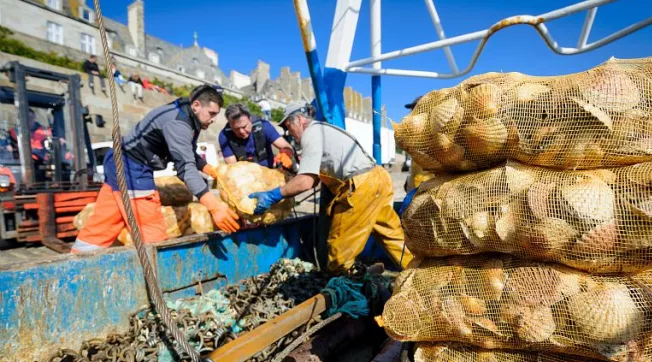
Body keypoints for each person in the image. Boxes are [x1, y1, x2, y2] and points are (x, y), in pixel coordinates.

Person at [249, 102, 414, 274]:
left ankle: (346, 293)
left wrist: (274, 195)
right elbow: (313, 180)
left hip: (361, 186)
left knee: (339, 256)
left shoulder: (311, 133)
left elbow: (305, 181)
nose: (289, 133)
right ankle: (420, 273)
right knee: (392, 236)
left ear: (299, 119)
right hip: (378, 178)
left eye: (289, 127)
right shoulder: (325, 130)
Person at [71, 85, 240, 253]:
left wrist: (210, 170)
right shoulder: (178, 123)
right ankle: (154, 274)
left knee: (106, 220)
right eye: (211, 114)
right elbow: (185, 168)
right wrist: (214, 205)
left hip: (118, 162)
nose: (213, 119)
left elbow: (187, 153)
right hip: (131, 167)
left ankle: (79, 262)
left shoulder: (186, 115)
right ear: (196, 105)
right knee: (152, 231)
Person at [218, 103, 294, 169]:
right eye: (236, 128)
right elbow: (233, 166)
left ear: (250, 119)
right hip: (243, 175)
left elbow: (288, 147)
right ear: (230, 124)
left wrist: (285, 153)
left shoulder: (264, 126)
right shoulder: (224, 136)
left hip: (268, 171)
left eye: (244, 127)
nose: (241, 131)